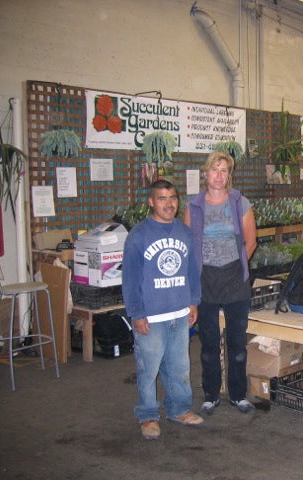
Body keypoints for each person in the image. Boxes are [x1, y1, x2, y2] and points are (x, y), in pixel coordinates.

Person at [122, 179, 203, 440]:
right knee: (148, 368)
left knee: (179, 366)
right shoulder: (139, 235)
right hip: (152, 315)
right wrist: (136, 313)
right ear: (150, 202)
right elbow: (131, 279)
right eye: (162, 198)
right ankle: (147, 416)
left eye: (173, 198)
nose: (169, 204)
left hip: (179, 312)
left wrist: (193, 301)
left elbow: (192, 269)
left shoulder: (184, 232)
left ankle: (178, 409)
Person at [184, 151, 258, 415]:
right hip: (206, 280)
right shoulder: (194, 206)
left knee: (237, 342)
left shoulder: (240, 203)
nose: (219, 175)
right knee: (209, 342)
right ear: (206, 173)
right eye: (215, 169)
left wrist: (238, 267)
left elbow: (251, 242)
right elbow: (190, 246)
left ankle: (238, 395)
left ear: (229, 175)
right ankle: (211, 394)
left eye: (224, 170)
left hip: (235, 279)